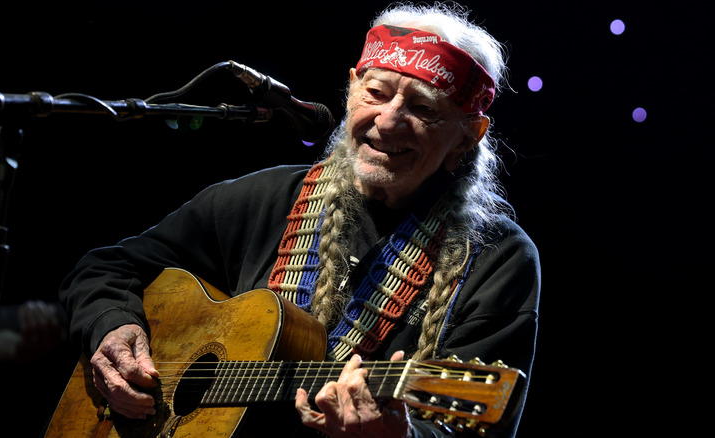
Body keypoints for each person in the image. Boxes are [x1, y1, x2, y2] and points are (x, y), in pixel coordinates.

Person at [58, 3, 540, 437]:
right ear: (351, 87)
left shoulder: (497, 259)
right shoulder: (263, 198)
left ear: (467, 135)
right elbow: (105, 268)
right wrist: (112, 326)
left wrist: (400, 436)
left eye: (422, 109)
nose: (388, 121)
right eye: (376, 92)